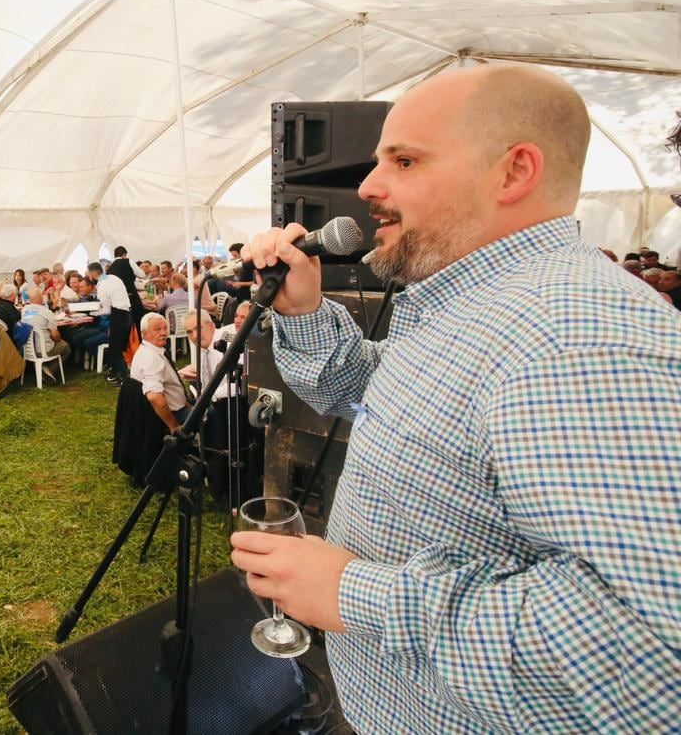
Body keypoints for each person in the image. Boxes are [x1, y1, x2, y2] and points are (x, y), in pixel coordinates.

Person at [232, 64, 681, 732]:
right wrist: (303, 312)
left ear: (513, 173)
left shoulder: (575, 342)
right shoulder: (475, 309)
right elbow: (364, 391)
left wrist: (356, 595)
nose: (367, 187)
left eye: (405, 160)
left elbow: (651, 657)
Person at [128, 312, 187, 432]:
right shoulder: (151, 358)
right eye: (157, 329)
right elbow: (154, 396)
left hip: (176, 407)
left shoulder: (150, 350)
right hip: (169, 416)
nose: (164, 333)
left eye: (165, 328)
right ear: (144, 334)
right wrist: (174, 426)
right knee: (210, 412)